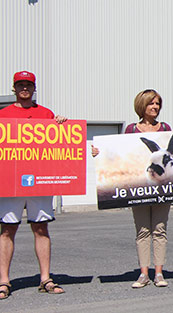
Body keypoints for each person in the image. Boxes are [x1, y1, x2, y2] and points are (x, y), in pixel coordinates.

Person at [93, 89, 173, 288]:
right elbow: (120, 150)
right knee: (143, 230)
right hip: (141, 187)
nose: (155, 107)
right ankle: (143, 273)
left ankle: (159, 272)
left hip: (164, 189)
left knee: (160, 229)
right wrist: (98, 154)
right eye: (151, 103)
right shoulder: (131, 130)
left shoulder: (165, 128)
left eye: (157, 104)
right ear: (142, 106)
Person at [0, 71, 67, 299]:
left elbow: (60, 144)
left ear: (33, 87)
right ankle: (4, 281)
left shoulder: (46, 114)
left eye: (28, 84)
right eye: (20, 84)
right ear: (14, 88)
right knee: (8, 230)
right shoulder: (3, 115)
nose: (24, 88)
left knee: (41, 228)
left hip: (39, 180)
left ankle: (45, 278)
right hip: (10, 182)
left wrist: (61, 126)